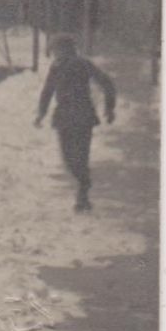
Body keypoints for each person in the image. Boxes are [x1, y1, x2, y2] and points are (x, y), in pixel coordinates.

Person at [34, 34, 118, 212]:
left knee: (77, 157)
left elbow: (106, 83)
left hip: (81, 115)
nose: (55, 53)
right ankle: (84, 184)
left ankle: (83, 195)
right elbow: (48, 91)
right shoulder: (56, 67)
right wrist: (41, 113)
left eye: (57, 49)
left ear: (66, 49)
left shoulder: (82, 63)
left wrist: (110, 108)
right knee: (70, 158)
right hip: (67, 116)